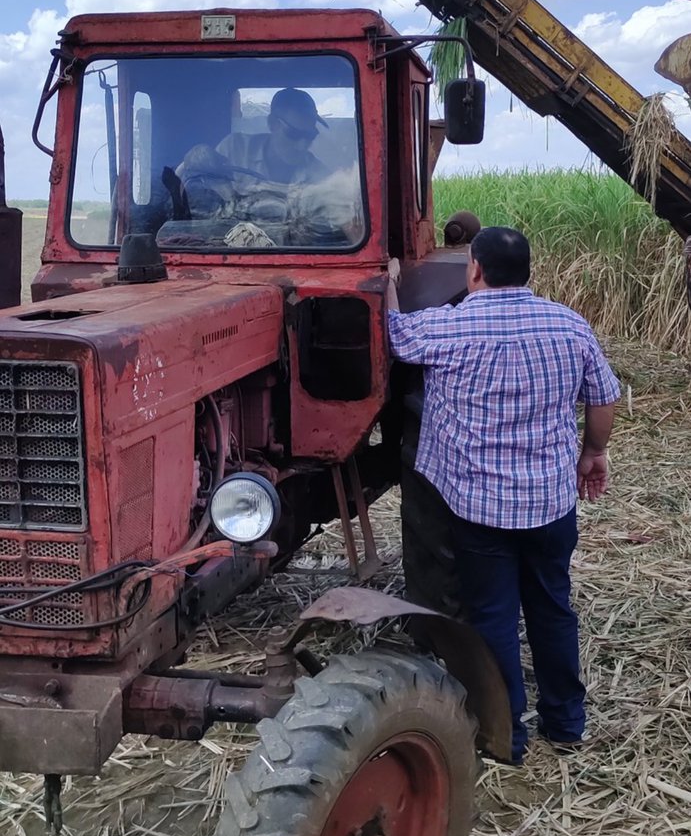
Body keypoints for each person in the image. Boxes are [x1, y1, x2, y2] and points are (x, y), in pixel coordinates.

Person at [387, 226, 620, 764]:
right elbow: (604, 396)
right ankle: (565, 723)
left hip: (480, 509)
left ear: (474, 270)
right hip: (550, 505)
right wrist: (593, 452)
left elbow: (396, 337)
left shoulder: (449, 326)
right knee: (552, 607)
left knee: (492, 615)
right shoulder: (569, 324)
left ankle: (506, 734)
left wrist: (392, 283)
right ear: (528, 271)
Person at [215, 87, 329, 186]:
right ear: (272, 123)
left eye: (310, 135)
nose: (302, 146)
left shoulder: (320, 175)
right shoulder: (234, 149)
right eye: (294, 134)